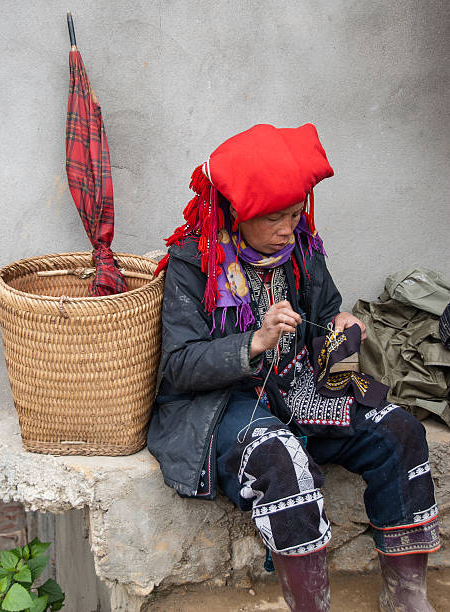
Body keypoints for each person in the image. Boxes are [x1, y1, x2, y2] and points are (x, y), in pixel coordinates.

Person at [148, 124, 440, 611]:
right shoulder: (192, 262)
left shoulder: (301, 248)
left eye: (295, 212)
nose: (289, 227)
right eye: (273, 218)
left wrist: (341, 331)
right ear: (237, 213)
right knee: (278, 456)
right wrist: (256, 340)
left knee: (399, 430)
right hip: (223, 404)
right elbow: (179, 366)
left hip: (300, 387)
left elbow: (327, 320)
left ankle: (406, 595)